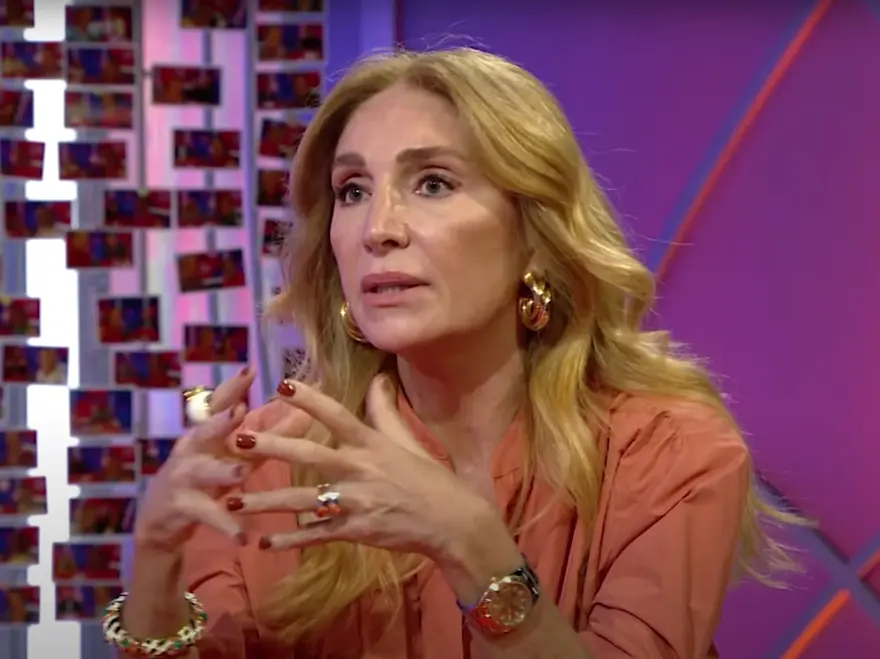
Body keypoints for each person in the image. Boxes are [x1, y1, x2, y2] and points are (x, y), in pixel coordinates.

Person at [114, 48, 798, 658]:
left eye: (433, 183)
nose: (378, 228)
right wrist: (154, 565)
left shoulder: (668, 450)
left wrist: (472, 546)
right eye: (353, 191)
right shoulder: (268, 461)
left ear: (534, 234)